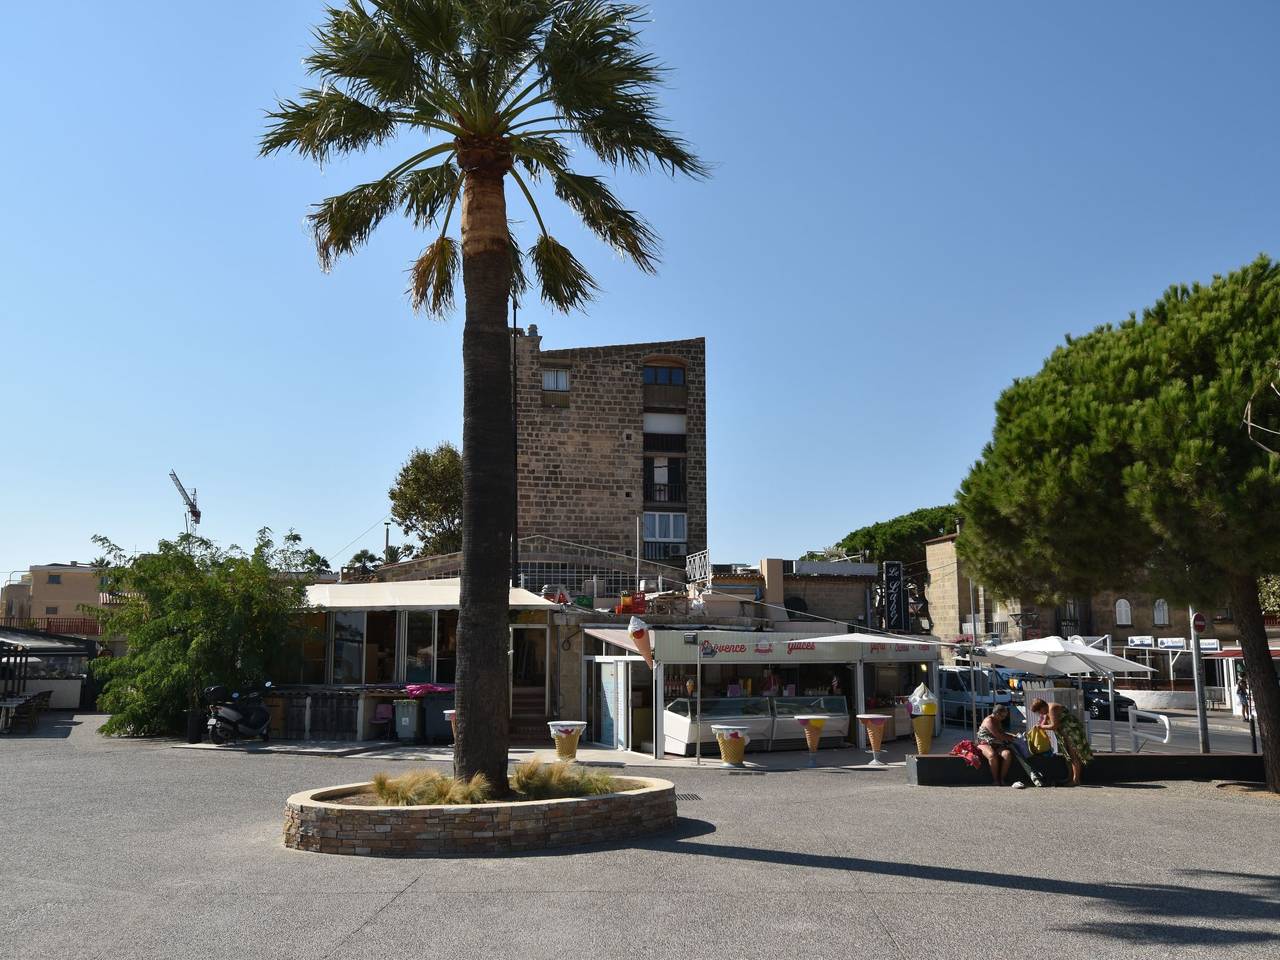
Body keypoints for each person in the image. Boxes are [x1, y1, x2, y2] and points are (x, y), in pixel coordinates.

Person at [1030, 697, 1093, 786]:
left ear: (1042, 707)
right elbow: (1044, 723)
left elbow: (1054, 726)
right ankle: (1070, 778)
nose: (1040, 714)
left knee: (1073, 756)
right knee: (1068, 757)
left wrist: (1040, 727)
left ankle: (1076, 780)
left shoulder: (1052, 708)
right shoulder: (1047, 709)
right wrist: (1039, 725)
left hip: (1071, 733)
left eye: (1039, 711)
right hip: (1065, 734)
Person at [976, 704, 1021, 786]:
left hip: (996, 743)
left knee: (1007, 754)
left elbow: (1002, 733)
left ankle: (1002, 779)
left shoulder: (998, 720)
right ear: (997, 714)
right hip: (984, 743)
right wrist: (1011, 738)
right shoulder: (989, 720)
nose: (1004, 718)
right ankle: (995, 780)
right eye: (1002, 716)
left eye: (1005, 716)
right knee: (992, 755)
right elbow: (997, 735)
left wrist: (1013, 735)